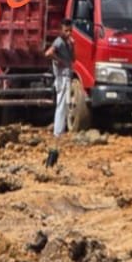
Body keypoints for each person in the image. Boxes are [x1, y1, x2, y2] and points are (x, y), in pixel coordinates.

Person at [43, 18, 74, 168]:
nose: (68, 33)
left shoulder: (68, 43)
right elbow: (48, 53)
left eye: (70, 30)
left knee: (65, 105)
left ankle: (60, 130)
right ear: (61, 30)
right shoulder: (59, 42)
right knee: (61, 106)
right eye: (66, 30)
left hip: (67, 76)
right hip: (61, 77)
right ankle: (57, 133)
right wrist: (59, 61)